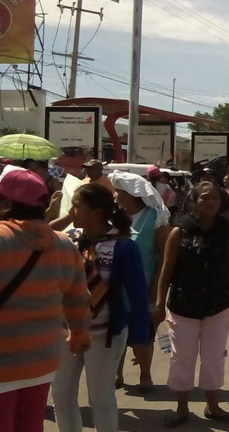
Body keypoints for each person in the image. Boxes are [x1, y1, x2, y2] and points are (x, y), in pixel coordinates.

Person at [52, 183, 150, 432]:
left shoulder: (123, 246)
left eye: (76, 205)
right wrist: (65, 216)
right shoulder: (70, 240)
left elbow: (138, 296)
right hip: (66, 331)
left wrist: (141, 340)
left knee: (101, 398)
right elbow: (38, 236)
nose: (72, 210)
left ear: (96, 212)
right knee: (61, 395)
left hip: (105, 334)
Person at [0, 170, 91, 432]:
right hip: (42, 360)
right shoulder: (64, 245)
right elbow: (78, 299)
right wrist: (79, 333)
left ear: (6, 204)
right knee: (30, 424)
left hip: (4, 361)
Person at [154, 181, 229, 426]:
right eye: (205, 197)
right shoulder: (179, 231)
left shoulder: (226, 228)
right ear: (194, 201)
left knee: (214, 357)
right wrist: (158, 304)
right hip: (184, 305)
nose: (210, 202)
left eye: (215, 198)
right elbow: (166, 271)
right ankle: (182, 409)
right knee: (182, 358)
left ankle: (213, 406)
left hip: (218, 303)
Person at [109, 170, 171, 392]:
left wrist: (156, 286)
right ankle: (116, 373)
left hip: (143, 287)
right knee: (116, 330)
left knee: (143, 333)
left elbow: (164, 253)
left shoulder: (154, 218)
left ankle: (145, 375)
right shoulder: (113, 218)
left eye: (118, 193)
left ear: (131, 194)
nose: (115, 197)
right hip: (115, 288)